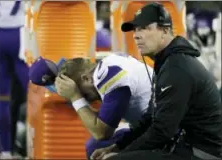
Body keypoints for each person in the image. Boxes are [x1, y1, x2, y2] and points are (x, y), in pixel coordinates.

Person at [91, 2, 222, 160]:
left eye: (145, 28)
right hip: (186, 146)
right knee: (103, 149)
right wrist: (118, 146)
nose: (136, 35)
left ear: (165, 31)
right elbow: (150, 119)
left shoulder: (177, 68)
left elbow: (162, 131)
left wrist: (121, 154)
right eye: (136, 29)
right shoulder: (167, 63)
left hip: (203, 153)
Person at [48, 53, 152, 158]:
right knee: (96, 147)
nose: (86, 100)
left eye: (84, 95)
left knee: (96, 146)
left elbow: (101, 133)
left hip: (161, 132)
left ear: (86, 79)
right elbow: (103, 119)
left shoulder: (109, 77)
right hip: (149, 126)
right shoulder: (109, 63)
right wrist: (116, 147)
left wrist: (75, 97)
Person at [0, 1, 29, 159]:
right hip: (19, 34)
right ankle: (41, 147)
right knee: (36, 95)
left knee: (2, 99)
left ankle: (6, 151)